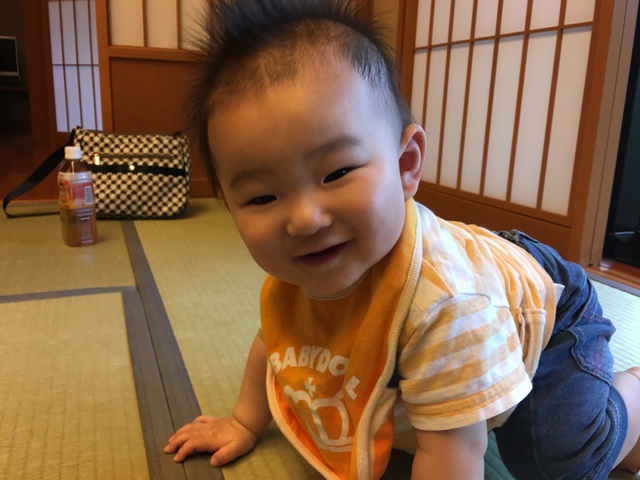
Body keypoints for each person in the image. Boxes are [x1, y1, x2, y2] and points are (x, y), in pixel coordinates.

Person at [164, 0, 640, 478]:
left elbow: (454, 455)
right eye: (263, 197)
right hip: (482, 268)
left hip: (548, 310)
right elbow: (276, 340)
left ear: (406, 163)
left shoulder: (446, 305)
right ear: (228, 204)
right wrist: (244, 423)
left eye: (337, 172)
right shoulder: (303, 267)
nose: (305, 220)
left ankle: (632, 394)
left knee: (553, 458)